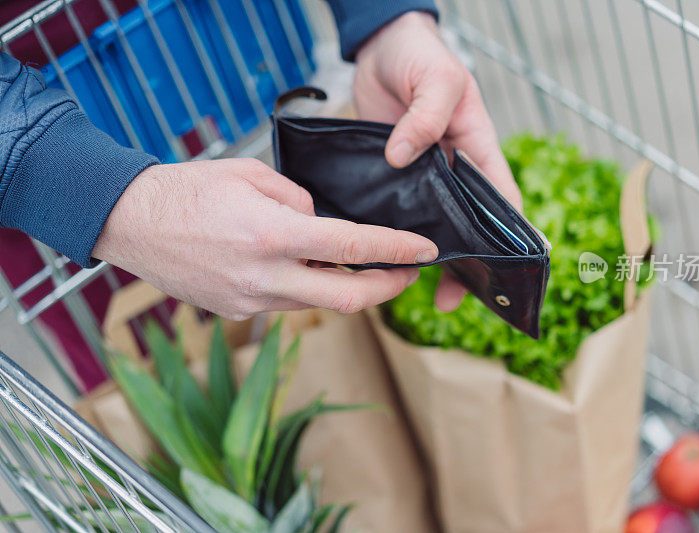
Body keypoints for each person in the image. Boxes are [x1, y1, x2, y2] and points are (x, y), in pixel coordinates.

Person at [0, 0, 522, 323]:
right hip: (44, 139)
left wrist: (384, 18)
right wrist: (97, 196)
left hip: (235, 53)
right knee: (133, 338)